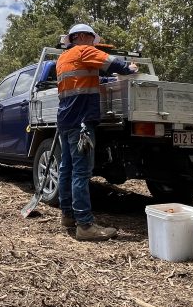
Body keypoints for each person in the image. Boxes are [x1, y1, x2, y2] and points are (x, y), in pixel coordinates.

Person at [55, 24, 137, 241]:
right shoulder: (84, 50)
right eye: (92, 38)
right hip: (82, 120)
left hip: (65, 120)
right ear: (81, 36)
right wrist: (130, 67)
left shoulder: (63, 58)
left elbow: (82, 79)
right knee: (81, 172)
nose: (95, 43)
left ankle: (68, 216)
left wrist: (103, 80)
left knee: (67, 169)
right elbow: (113, 64)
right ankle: (85, 225)